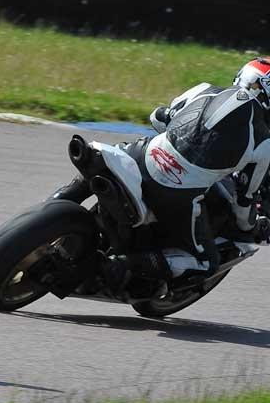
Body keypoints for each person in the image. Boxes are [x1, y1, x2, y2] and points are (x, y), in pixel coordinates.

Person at [102, 57, 270, 291]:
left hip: (140, 155)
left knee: (93, 166)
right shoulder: (265, 144)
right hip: (174, 194)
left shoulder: (204, 89)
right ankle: (119, 266)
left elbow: (158, 118)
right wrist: (248, 226)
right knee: (205, 263)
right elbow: (245, 199)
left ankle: (57, 204)